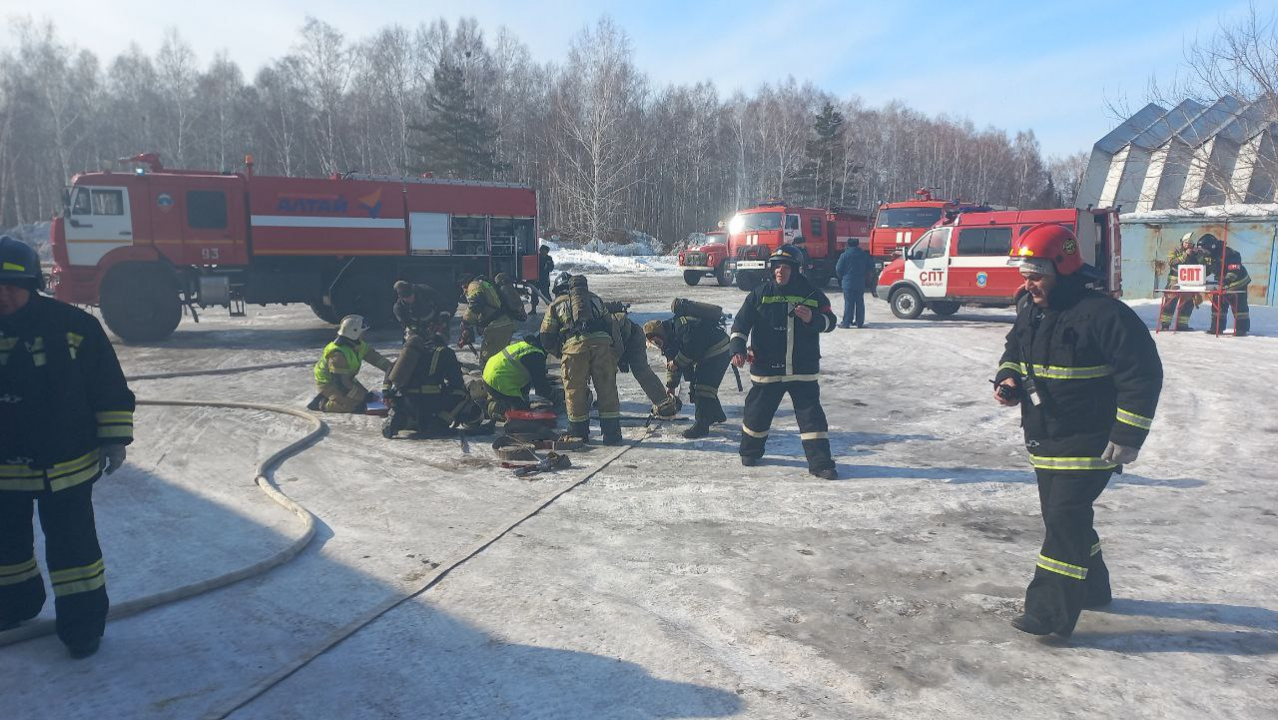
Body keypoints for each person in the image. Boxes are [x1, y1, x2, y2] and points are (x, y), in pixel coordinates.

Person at [994, 223, 1163, 638]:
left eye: (1036, 275)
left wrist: (1127, 435)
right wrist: (1009, 377)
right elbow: (1014, 350)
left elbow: (1142, 376)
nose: (1028, 283)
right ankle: (1093, 587)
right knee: (1061, 517)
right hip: (1044, 437)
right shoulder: (1031, 310)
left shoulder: (1106, 316)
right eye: (1025, 274)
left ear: (1064, 268)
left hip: (1091, 440)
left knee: (1064, 518)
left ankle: (1048, 613)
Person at [0, 235, 134, 659]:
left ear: (33, 284)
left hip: (66, 464)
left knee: (74, 551)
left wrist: (113, 436)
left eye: (12, 285)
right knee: (5, 548)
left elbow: (108, 386)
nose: (3, 295)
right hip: (3, 470)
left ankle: (82, 627)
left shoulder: (74, 327)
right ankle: (14, 604)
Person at [729, 245, 839, 479]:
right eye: (777, 266)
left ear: (796, 269)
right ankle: (750, 451)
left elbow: (830, 321)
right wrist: (737, 348)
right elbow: (740, 325)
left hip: (803, 371)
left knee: (812, 419)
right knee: (757, 413)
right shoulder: (760, 294)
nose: (780, 271)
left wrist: (814, 319)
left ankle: (821, 464)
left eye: (785, 267)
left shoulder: (812, 294)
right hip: (766, 370)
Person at [540, 274, 622, 444]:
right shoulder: (596, 299)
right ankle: (612, 434)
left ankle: (578, 433)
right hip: (602, 346)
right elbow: (609, 325)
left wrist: (561, 352)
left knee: (575, 392)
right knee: (607, 390)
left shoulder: (556, 305)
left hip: (574, 349)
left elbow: (546, 337)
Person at [381, 313, 480, 438]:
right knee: (462, 395)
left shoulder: (414, 350)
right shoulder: (445, 352)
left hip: (405, 401)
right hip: (429, 404)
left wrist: (386, 393)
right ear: (446, 339)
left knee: (414, 412)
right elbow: (457, 383)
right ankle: (438, 424)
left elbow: (391, 369)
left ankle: (400, 418)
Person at [644, 316, 730, 438]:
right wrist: (671, 386)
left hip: (718, 349)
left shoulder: (681, 328)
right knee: (700, 386)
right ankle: (715, 415)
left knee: (702, 387)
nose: (657, 345)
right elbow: (673, 363)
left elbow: (690, 350)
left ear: (660, 333)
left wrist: (677, 362)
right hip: (709, 351)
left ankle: (701, 426)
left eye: (657, 341)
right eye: (654, 343)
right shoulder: (669, 340)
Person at [309, 315, 392, 413]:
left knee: (364, 398)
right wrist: (365, 397)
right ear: (354, 333)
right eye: (362, 332)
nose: (363, 334)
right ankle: (322, 403)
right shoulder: (338, 354)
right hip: (329, 383)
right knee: (355, 405)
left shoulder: (359, 345)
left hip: (346, 379)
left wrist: (394, 370)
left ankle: (335, 397)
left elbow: (377, 360)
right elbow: (341, 384)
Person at [609, 303, 676, 417]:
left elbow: (618, 347)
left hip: (633, 337)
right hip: (614, 341)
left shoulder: (597, 316)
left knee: (641, 371)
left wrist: (618, 360)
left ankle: (664, 404)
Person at [481, 334, 561, 421]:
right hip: (498, 380)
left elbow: (526, 377)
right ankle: (496, 408)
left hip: (488, 374)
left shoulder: (526, 346)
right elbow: (542, 388)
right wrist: (558, 399)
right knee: (522, 414)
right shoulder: (536, 355)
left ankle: (501, 399)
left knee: (524, 400)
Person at [1197, 234, 1250, 336]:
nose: (1203, 252)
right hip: (1221, 283)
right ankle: (1216, 328)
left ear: (1211, 246)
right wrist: (1199, 277)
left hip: (1238, 283)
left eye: (1204, 250)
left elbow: (1234, 270)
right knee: (1218, 306)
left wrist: (1226, 280)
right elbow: (1207, 269)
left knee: (1239, 307)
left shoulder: (1229, 253)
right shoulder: (1209, 255)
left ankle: (1241, 330)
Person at [460, 270, 517, 364]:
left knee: (487, 361)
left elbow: (476, 303)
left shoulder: (473, 285)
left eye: (463, 287)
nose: (464, 291)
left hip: (496, 327)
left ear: (465, 283)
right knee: (501, 359)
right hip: (505, 323)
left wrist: (466, 322)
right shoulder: (485, 284)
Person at [1157, 233, 1200, 331]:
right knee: (1170, 301)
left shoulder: (1194, 252)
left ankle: (1182, 325)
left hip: (1189, 281)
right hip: (1174, 280)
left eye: (1190, 244)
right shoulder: (1175, 250)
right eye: (1186, 243)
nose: (1188, 245)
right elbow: (1171, 262)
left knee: (1188, 302)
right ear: (1182, 242)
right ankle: (1165, 325)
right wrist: (1185, 255)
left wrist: (1198, 254)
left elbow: (1200, 263)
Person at [835, 238, 871, 328]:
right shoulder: (863, 255)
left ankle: (846, 322)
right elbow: (870, 267)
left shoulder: (844, 255)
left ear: (848, 244)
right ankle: (860, 322)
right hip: (860, 282)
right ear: (858, 244)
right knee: (860, 302)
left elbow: (838, 268)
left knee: (849, 302)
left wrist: (842, 277)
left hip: (848, 282)